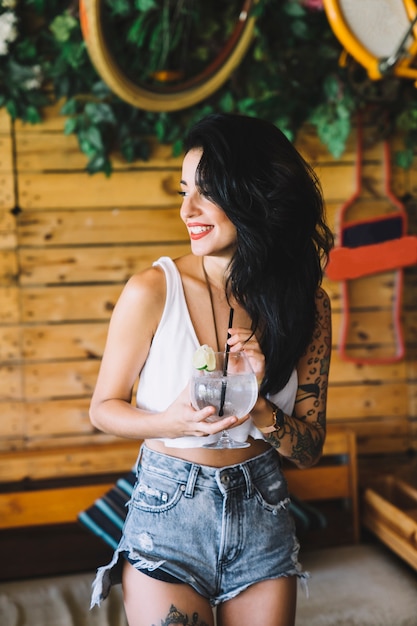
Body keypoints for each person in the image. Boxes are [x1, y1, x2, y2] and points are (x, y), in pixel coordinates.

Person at [89, 113, 333, 626]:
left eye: (207, 192)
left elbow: (308, 449)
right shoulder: (152, 291)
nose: (187, 210)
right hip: (167, 514)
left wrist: (260, 408)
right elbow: (103, 410)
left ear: (254, 194)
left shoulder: (306, 306)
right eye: (183, 191)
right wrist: (172, 423)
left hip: (263, 512)